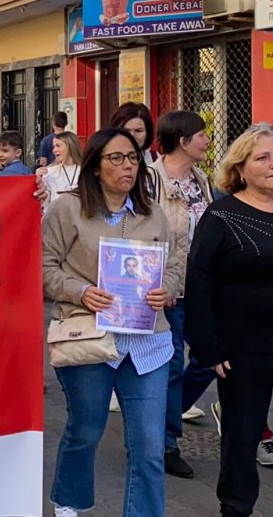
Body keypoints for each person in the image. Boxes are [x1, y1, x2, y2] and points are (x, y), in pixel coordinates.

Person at [42, 128, 177, 517]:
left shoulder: (153, 213)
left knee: (149, 447)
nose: (127, 166)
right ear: (95, 166)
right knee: (85, 431)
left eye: (133, 158)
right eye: (116, 158)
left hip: (146, 344)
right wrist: (81, 291)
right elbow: (43, 266)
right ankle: (69, 502)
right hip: (90, 338)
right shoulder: (68, 209)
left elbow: (172, 266)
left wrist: (167, 289)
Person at [185, 123, 273, 517]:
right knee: (243, 435)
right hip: (242, 348)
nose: (272, 165)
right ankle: (236, 508)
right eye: (263, 158)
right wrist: (209, 346)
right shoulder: (222, 215)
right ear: (240, 167)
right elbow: (199, 280)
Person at [149, 111, 219, 478]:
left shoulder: (202, 180)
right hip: (166, 289)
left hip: (202, 288)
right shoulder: (150, 180)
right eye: (201, 135)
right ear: (182, 141)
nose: (207, 141)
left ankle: (161, 418)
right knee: (172, 363)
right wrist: (161, 282)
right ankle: (166, 443)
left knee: (211, 356)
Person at [41, 132, 84, 207]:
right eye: (54, 146)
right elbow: (46, 195)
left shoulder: (86, 171)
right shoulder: (49, 172)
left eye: (58, 146)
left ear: (70, 146)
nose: (54, 150)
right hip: (57, 212)